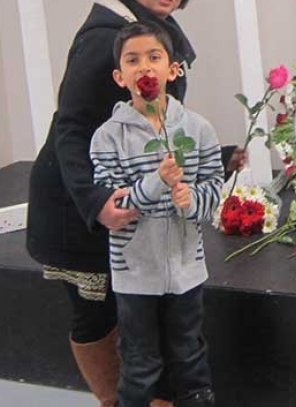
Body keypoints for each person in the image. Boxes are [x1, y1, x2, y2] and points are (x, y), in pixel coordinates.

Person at [26, 0, 240, 407]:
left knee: (145, 316)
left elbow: (154, 126)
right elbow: (73, 126)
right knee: (96, 315)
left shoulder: (155, 35)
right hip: (78, 203)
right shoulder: (105, 39)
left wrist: (211, 158)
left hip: (135, 204)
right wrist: (95, 200)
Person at [92, 22, 222, 407]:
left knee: (189, 352)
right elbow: (116, 204)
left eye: (154, 57)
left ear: (173, 69)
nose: (144, 67)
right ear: (119, 76)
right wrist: (157, 182)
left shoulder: (198, 130)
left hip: (186, 268)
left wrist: (191, 198)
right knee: (139, 360)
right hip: (134, 272)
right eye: (132, 60)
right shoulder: (107, 137)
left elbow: (214, 188)